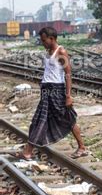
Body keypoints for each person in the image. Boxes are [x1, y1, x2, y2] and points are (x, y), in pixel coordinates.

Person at [10, 27, 87, 160]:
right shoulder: (48, 51)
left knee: (67, 119)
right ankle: (28, 152)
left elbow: (68, 74)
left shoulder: (60, 51)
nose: (42, 42)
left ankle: (82, 147)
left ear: (52, 39)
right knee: (39, 119)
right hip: (47, 91)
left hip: (57, 91)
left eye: (44, 40)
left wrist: (68, 96)